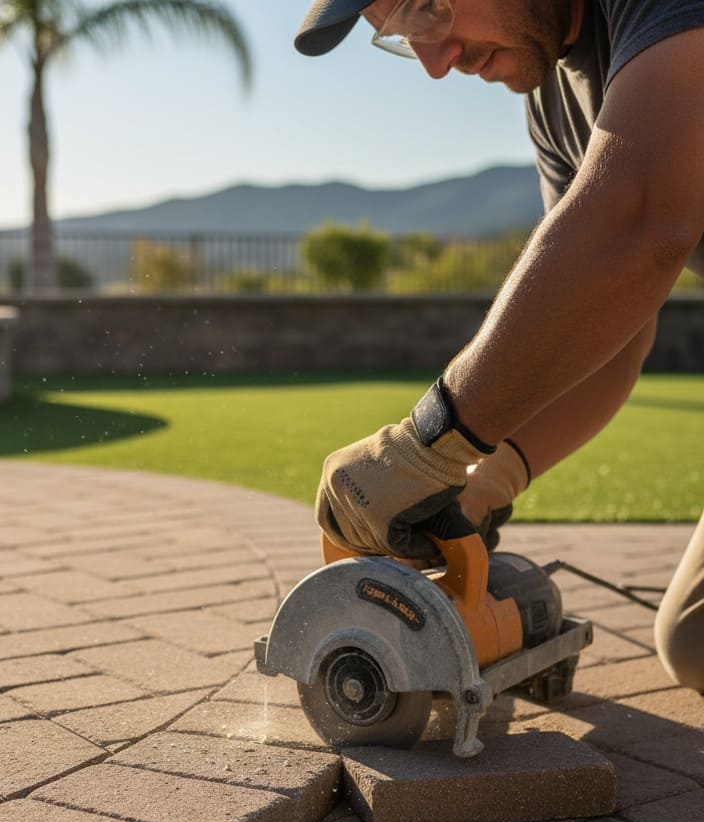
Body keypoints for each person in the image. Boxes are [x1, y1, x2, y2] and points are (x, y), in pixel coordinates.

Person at [295, 0, 704, 691]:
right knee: (695, 640)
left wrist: (429, 443)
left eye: (430, 8)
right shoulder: (552, 100)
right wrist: (486, 481)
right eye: (402, 34)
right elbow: (609, 324)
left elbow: (637, 219)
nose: (434, 61)